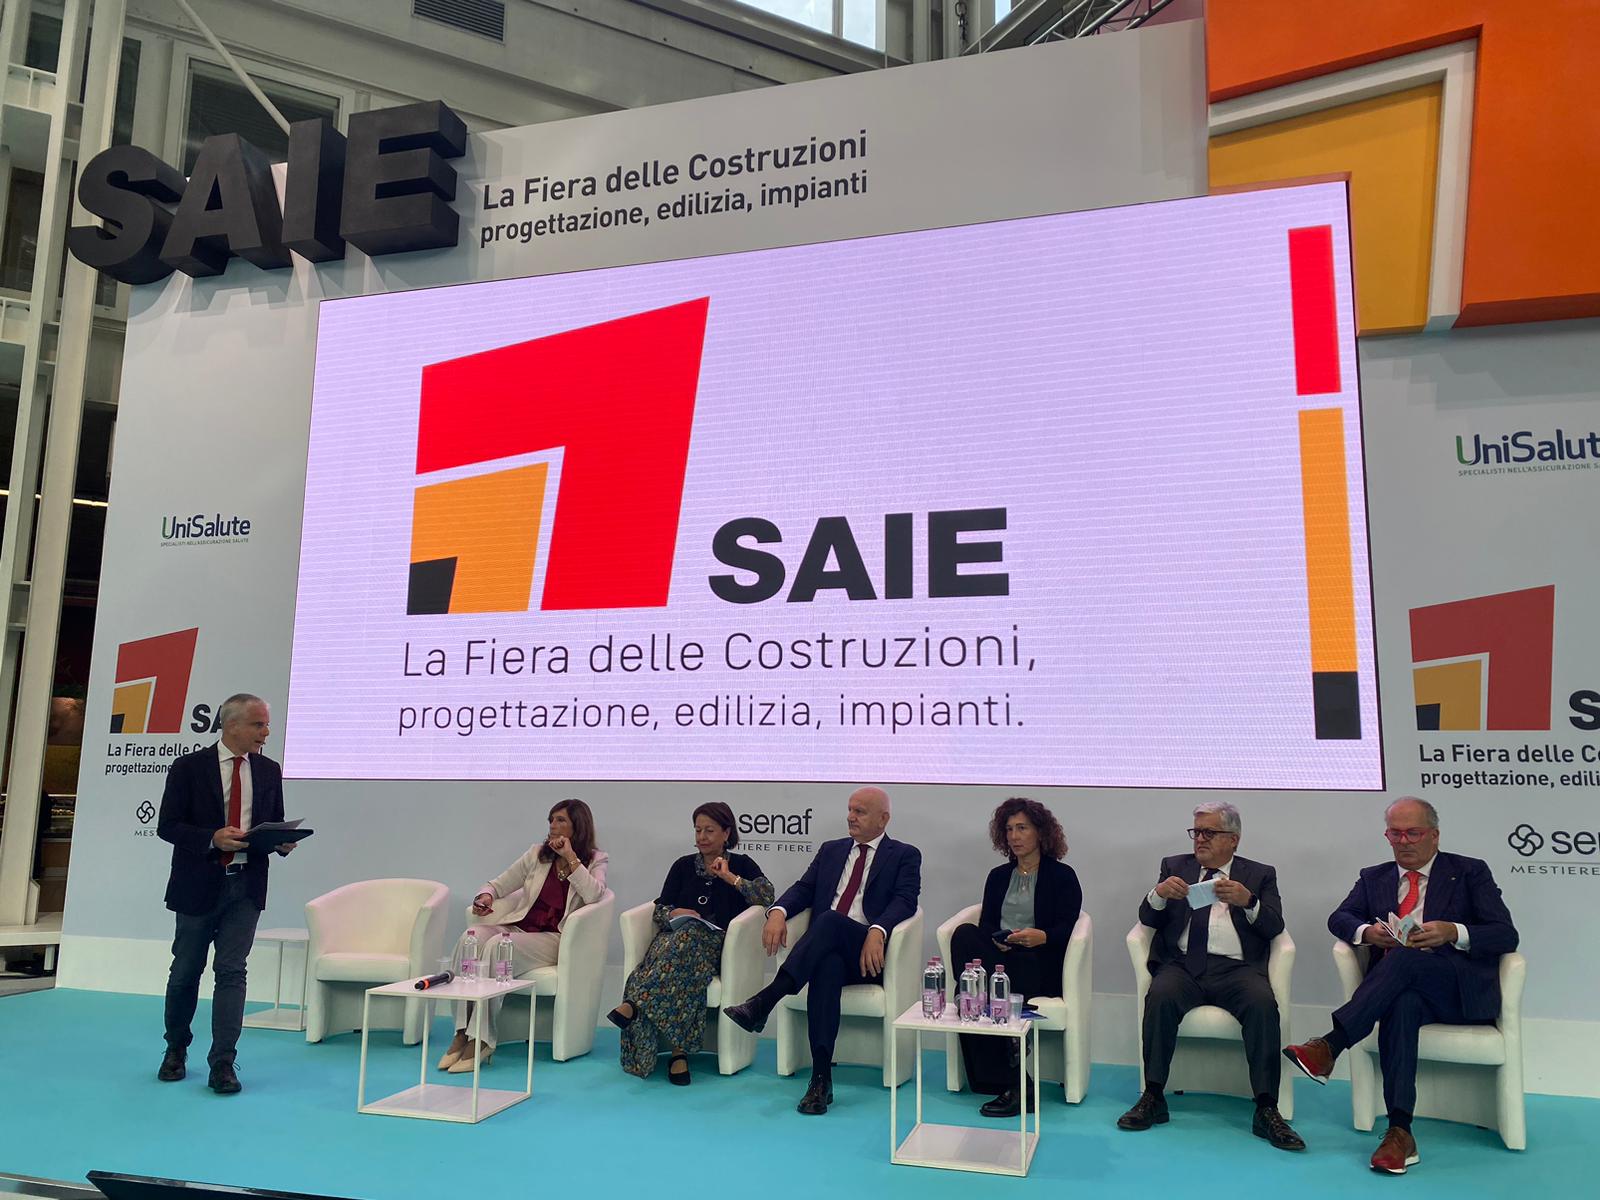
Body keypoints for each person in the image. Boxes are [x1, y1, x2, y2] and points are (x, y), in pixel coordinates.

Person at [1284, 796, 1519, 1175]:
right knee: (1402, 1003)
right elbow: (1339, 917)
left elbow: (1505, 934)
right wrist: (1368, 932)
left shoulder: (1469, 872)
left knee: (1405, 958)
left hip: (1456, 991)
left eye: (1413, 833)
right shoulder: (1374, 877)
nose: (1404, 841)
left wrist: (1453, 931)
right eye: (1396, 833)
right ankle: (1400, 1132)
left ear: (1434, 835)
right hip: (1401, 992)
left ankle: (1331, 1044)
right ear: (1387, 836)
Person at [1117, 801, 1304, 1151]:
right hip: (1183, 965)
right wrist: (1159, 895)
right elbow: (1148, 918)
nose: (1199, 839)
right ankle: (1153, 1096)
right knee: (1160, 995)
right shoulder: (1175, 866)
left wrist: (1249, 902)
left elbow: (1274, 926)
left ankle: (1266, 1108)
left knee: (1263, 1005)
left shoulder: (1259, 874)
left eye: (1209, 833)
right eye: (1196, 832)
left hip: (1236, 969)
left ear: (1233, 839)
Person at [724, 785, 921, 1115]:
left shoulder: (904, 854)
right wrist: (777, 912)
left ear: (883, 819)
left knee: (828, 920)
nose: (851, 817)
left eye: (860, 811)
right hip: (829, 950)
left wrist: (878, 929)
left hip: (867, 954)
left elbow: (905, 900)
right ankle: (820, 1080)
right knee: (826, 966)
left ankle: (766, 999)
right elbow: (803, 889)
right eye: (850, 810)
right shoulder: (832, 850)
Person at [156, 693, 296, 1095]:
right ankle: (176, 1049)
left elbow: (271, 823)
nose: (266, 732)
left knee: (232, 972)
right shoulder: (188, 767)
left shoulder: (269, 770)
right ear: (231, 725)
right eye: (259, 724)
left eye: (266, 724)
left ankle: (223, 1063)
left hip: (246, 886)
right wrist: (211, 838)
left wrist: (280, 841)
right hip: (198, 884)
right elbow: (168, 826)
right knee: (186, 970)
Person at [437, 799, 608, 1073]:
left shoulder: (596, 859)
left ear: (578, 825)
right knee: (472, 938)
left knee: (498, 946)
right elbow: (498, 884)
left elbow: (594, 895)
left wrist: (570, 857)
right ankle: (461, 1031)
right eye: (551, 820)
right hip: (521, 928)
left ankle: (482, 1039)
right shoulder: (537, 854)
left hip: (555, 938)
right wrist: (485, 896)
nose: (553, 826)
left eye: (561, 820)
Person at [608, 802, 775, 1084]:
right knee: (684, 958)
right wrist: (674, 913)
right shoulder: (683, 866)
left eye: (709, 830)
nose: (702, 837)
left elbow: (767, 896)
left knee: (690, 940)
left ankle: (636, 1003)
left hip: (716, 946)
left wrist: (729, 877)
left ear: (726, 833)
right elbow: (660, 909)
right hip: (674, 943)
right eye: (698, 830)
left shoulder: (742, 864)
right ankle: (678, 1054)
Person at [948, 797, 1082, 1117]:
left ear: (1041, 832)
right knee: (964, 934)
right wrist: (1000, 941)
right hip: (1001, 959)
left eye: (1022, 828)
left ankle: (1013, 1084)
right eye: (1009, 829)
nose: (1014, 836)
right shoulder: (998, 876)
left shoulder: (1062, 875)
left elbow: (1069, 926)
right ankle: (1015, 1082)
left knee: (978, 991)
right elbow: (987, 925)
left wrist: (1041, 936)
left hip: (1039, 963)